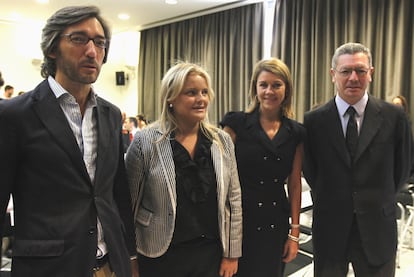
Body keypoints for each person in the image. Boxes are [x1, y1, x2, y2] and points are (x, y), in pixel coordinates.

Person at [0, 6, 138, 277]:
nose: (92, 51)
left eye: (99, 42)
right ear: (52, 49)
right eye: (79, 39)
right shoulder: (15, 115)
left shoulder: (110, 114)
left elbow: (117, 193)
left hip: (110, 265)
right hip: (48, 267)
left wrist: (130, 255)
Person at [303, 42, 412, 277]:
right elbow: (311, 170)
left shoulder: (394, 117)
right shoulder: (314, 121)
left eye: (360, 70)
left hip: (377, 230)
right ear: (333, 75)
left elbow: (402, 168)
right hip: (330, 229)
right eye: (345, 71)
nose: (353, 77)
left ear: (370, 73)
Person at [125, 62, 242, 277]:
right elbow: (128, 204)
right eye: (191, 92)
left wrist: (232, 254)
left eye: (204, 92)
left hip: (210, 254)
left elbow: (233, 199)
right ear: (171, 98)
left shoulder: (222, 141)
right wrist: (130, 258)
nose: (201, 99)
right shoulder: (146, 142)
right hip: (160, 255)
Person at [220, 58, 304, 277]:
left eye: (277, 85)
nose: (269, 91)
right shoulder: (236, 123)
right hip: (238, 221)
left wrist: (294, 234)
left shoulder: (296, 132)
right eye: (263, 84)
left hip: (275, 223)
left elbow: (294, 184)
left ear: (287, 89)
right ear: (255, 88)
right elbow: (220, 178)